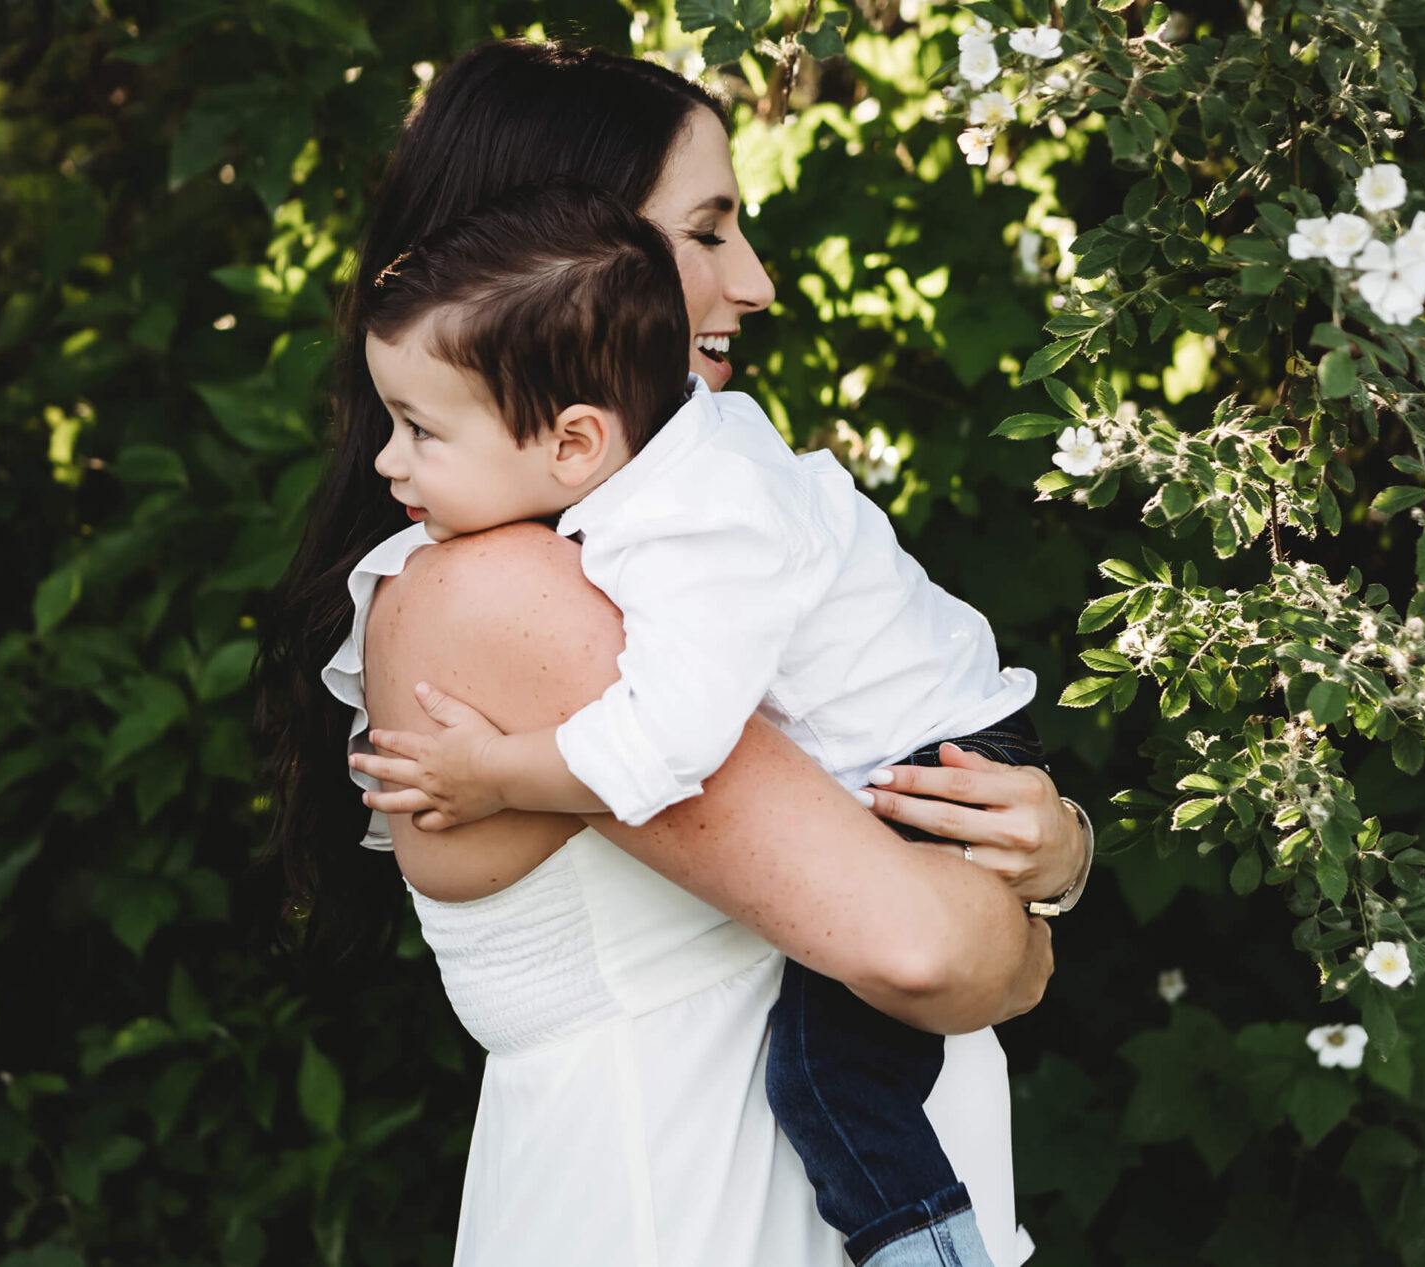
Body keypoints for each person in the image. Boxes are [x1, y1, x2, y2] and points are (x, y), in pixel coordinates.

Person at [251, 38, 1094, 1267]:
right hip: (688, 1213)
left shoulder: (648, 539)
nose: (752, 282)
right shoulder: (501, 590)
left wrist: (1055, 848)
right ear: (548, 253)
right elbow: (931, 951)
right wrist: (1024, 928)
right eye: (704, 232)